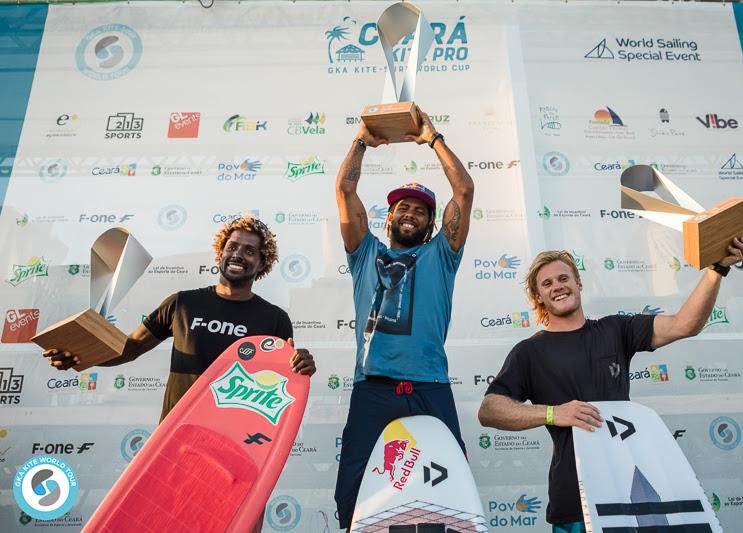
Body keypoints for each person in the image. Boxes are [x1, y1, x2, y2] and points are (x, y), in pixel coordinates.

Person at [478, 238, 743, 533]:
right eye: (547, 284)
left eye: (563, 278)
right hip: (575, 500)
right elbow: (489, 409)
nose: (557, 286)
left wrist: (717, 269)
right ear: (539, 297)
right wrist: (553, 413)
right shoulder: (528, 352)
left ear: (578, 283)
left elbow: (684, 324)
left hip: (633, 491)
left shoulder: (615, 329)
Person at [334, 109, 474, 529]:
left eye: (420, 209)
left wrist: (432, 138)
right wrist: (361, 139)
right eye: (402, 207)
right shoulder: (364, 252)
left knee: (448, 489)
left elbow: (464, 191)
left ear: (432, 224)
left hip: (430, 386)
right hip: (373, 386)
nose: (410, 212)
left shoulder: (441, 255)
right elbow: (344, 188)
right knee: (354, 494)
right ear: (388, 217)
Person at [43, 215, 316, 422]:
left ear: (262, 263)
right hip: (177, 430)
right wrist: (80, 356)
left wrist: (300, 367)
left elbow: (280, 384)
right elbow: (130, 348)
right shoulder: (183, 303)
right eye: (233, 246)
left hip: (237, 434)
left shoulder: (275, 319)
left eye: (249, 251)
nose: (238, 254)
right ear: (220, 252)